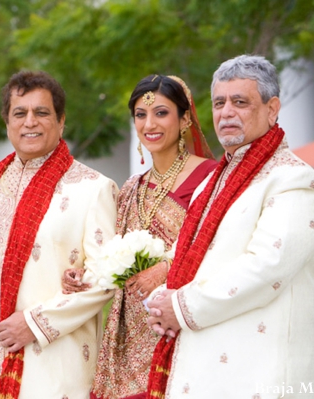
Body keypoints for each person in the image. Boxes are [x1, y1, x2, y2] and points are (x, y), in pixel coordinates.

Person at [145, 55, 314, 398]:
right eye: (219, 102)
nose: (226, 112)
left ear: (272, 108)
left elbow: (265, 268)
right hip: (199, 368)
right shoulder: (212, 183)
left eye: (240, 102)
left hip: (258, 374)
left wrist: (181, 307)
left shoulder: (295, 181)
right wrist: (159, 292)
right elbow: (189, 253)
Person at [0, 70, 119, 399]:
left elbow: (105, 279)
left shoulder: (93, 189)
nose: (30, 122)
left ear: (61, 121)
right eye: (19, 113)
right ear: (7, 122)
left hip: (56, 365)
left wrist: (36, 323)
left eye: (42, 113)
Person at [62, 74, 216, 399]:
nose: (150, 124)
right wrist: (86, 276)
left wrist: (165, 270)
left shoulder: (208, 177)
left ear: (185, 118)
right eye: (141, 115)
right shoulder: (132, 187)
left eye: (161, 112)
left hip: (180, 321)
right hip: (129, 331)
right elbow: (114, 255)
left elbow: (217, 246)